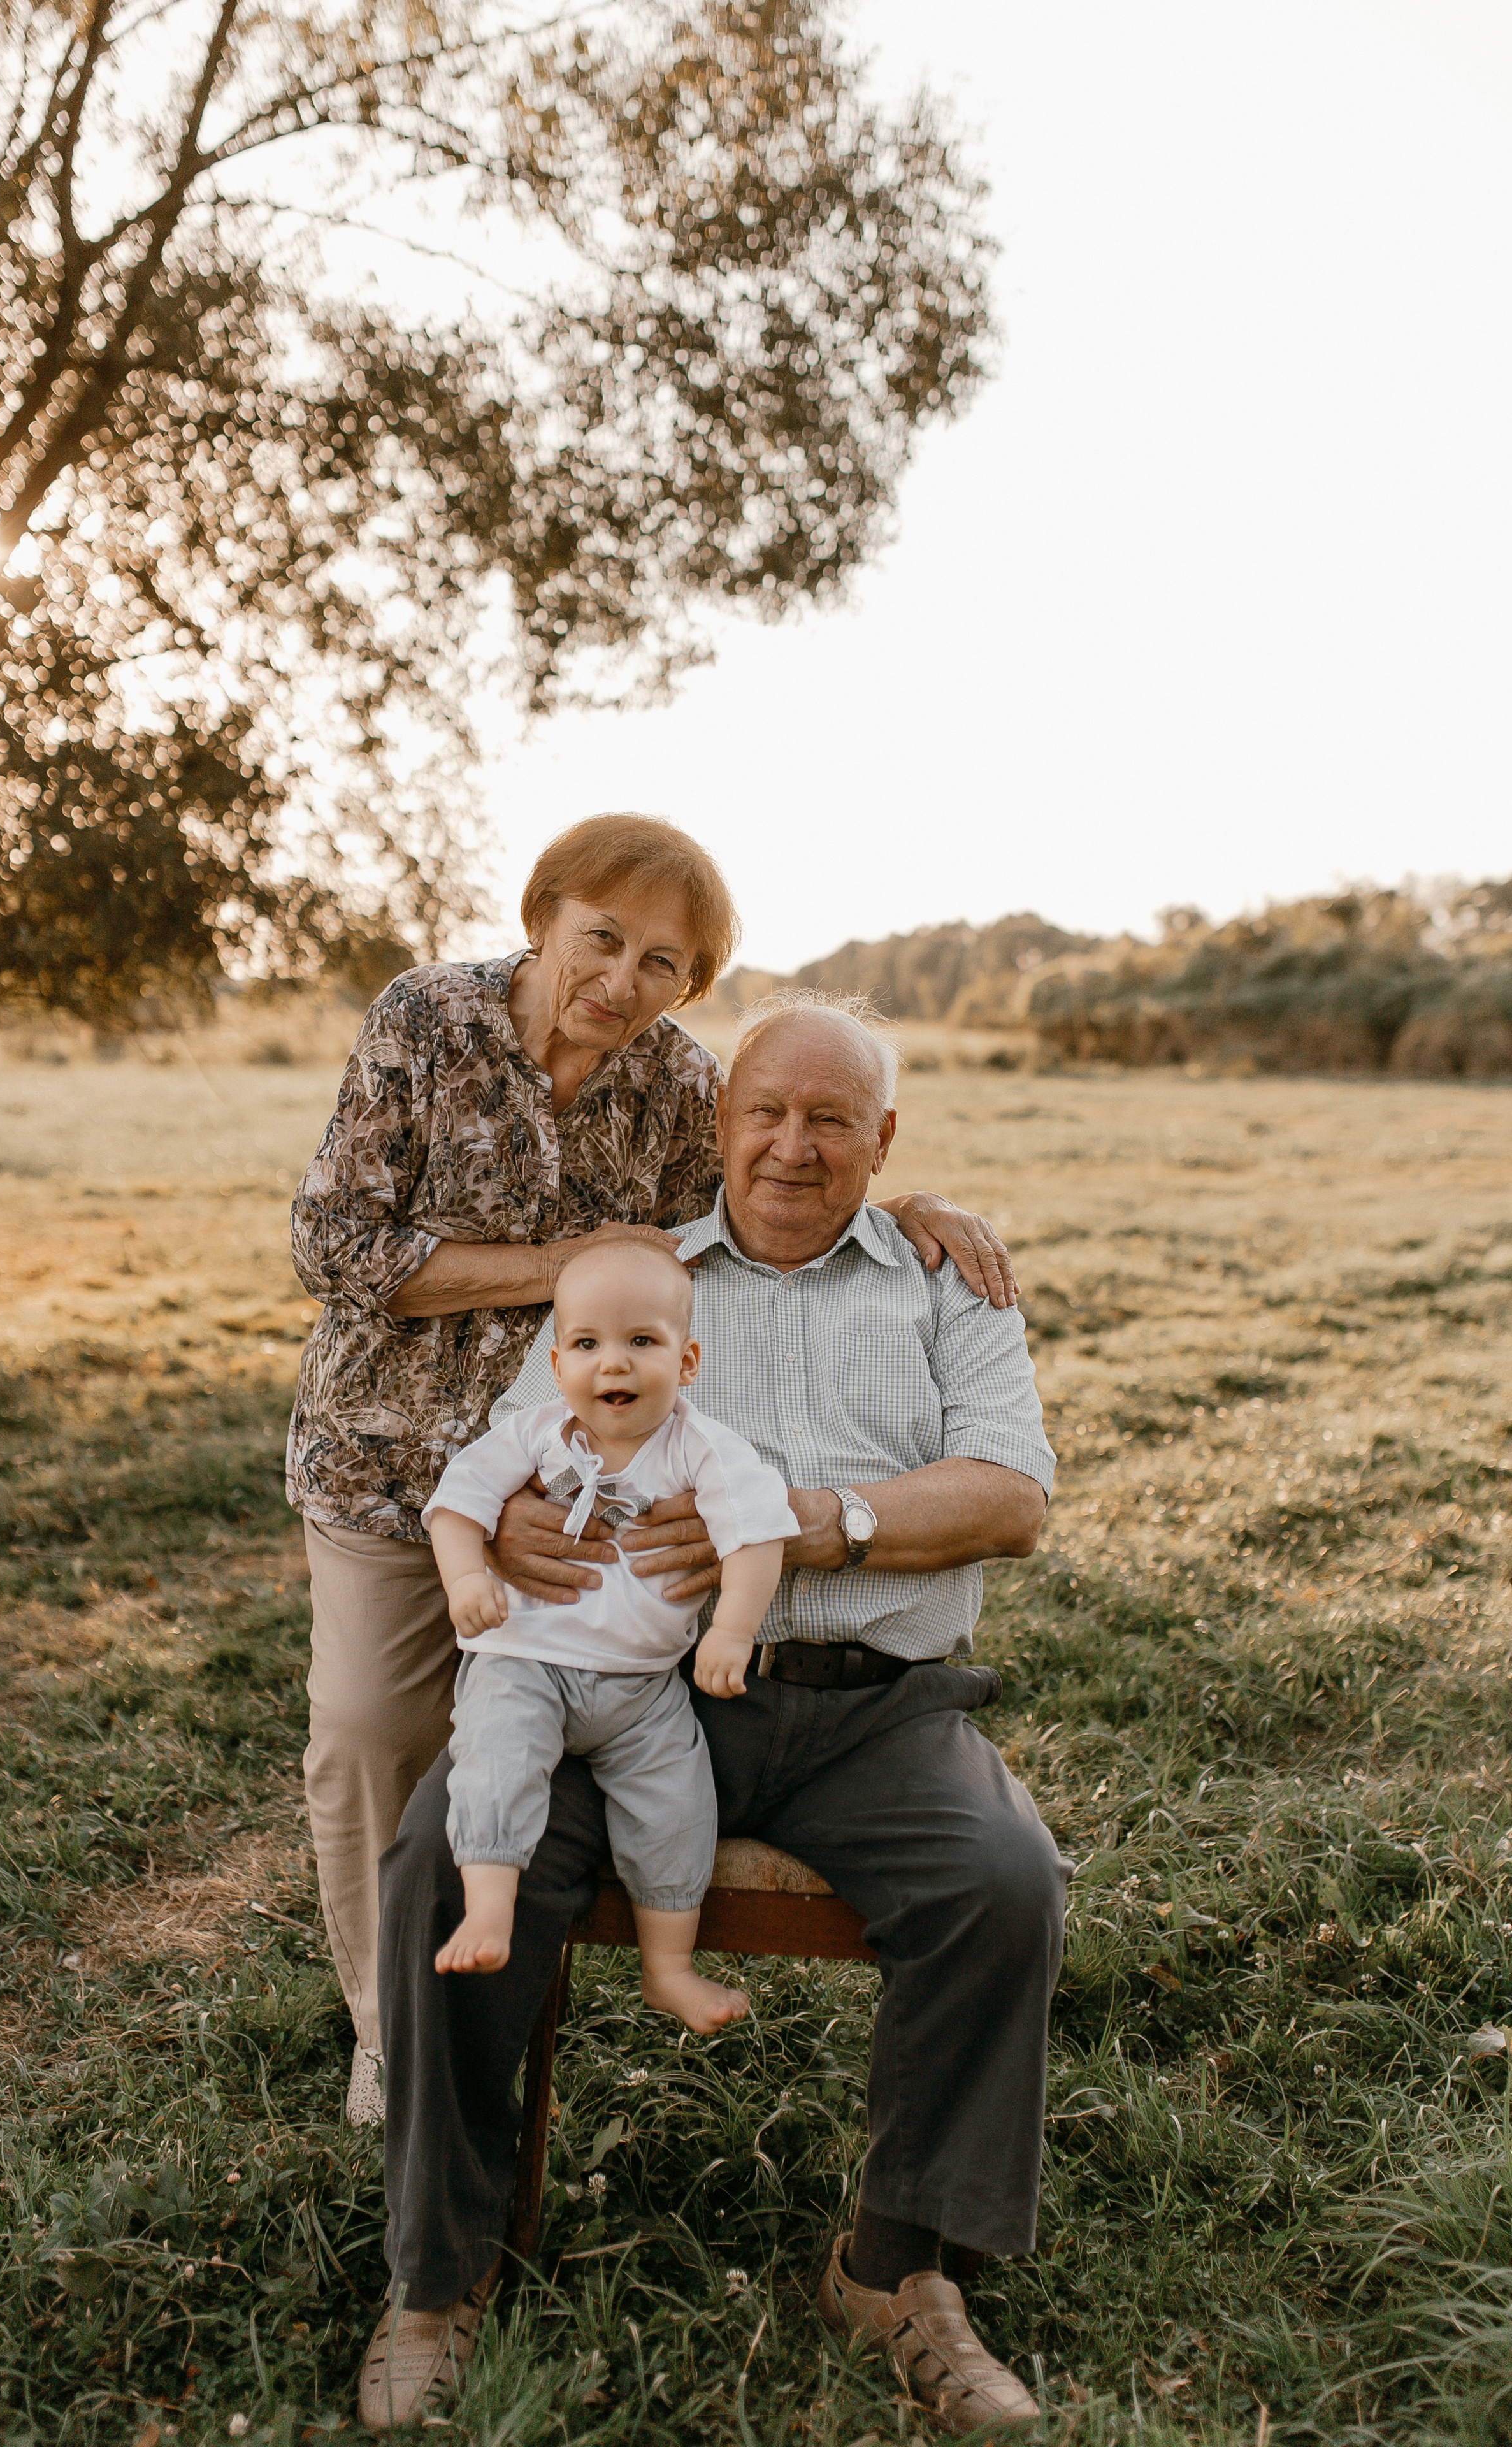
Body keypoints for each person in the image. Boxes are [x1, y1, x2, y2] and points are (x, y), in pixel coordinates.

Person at [357, 993, 1067, 2437]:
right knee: (448, 1852)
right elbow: (505, 1459)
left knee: (999, 1880)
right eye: (763, 1112)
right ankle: (436, 2277)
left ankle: (894, 2267)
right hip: (621, 1693)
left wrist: (816, 1522)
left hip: (872, 1711)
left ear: (882, 1138)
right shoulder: (637, 1281)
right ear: (719, 1125)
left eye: (827, 1119)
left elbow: (1008, 1498)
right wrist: (510, 1541)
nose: (789, 1147)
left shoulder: (946, 1281)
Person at [287, 814, 1022, 2124]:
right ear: (543, 917)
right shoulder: (426, 1022)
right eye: (602, 940)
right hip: (398, 1459)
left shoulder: (679, 1082)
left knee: (532, 1732)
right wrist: (564, 1274)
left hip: (595, 1479)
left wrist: (908, 1210)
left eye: (661, 964)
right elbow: (336, 1246)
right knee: (373, 1731)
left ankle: (511, 1973)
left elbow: (767, 1189)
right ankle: (389, 2028)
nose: (620, 980)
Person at [424, 1236, 798, 2028]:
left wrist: (732, 1630)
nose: (614, 1366)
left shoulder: (702, 1448)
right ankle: (489, 1907)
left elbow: (759, 1535)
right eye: (588, 1345)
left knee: (677, 1809)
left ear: (686, 1361)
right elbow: (458, 1502)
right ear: (557, 1366)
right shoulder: (534, 1434)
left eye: (641, 1342)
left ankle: (667, 1967)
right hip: (525, 1661)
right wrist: (465, 1579)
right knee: (497, 1759)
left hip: (643, 1689)